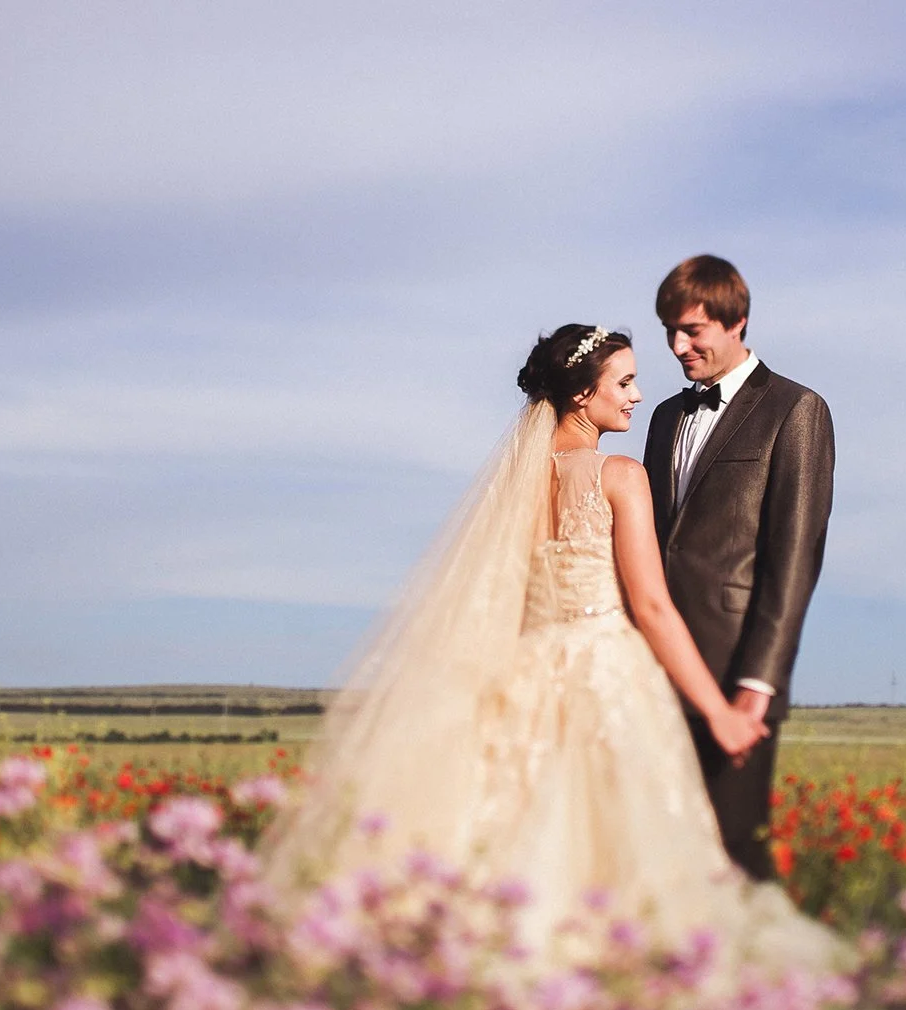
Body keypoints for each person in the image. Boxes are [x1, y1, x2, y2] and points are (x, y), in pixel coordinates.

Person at [259, 324, 842, 971]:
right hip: (604, 676)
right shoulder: (620, 476)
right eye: (622, 382)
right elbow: (651, 607)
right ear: (579, 395)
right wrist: (719, 710)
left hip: (525, 674)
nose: (638, 395)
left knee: (519, 833)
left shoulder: (510, 487)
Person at [643, 256, 834, 880]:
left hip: (736, 679)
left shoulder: (796, 409)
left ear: (737, 322)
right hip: (656, 674)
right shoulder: (665, 416)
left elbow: (794, 561)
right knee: (664, 856)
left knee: (735, 859)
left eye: (692, 331)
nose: (677, 346)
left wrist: (759, 684)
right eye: (669, 330)